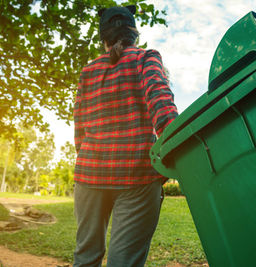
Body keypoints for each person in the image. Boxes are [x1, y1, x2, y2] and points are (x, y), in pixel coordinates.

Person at [73, 5, 178, 267]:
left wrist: (90, 158)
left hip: (89, 175)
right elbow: (161, 101)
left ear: (103, 37)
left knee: (85, 257)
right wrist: (176, 147)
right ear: (134, 33)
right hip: (137, 176)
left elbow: (79, 129)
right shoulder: (145, 58)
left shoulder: (87, 72)